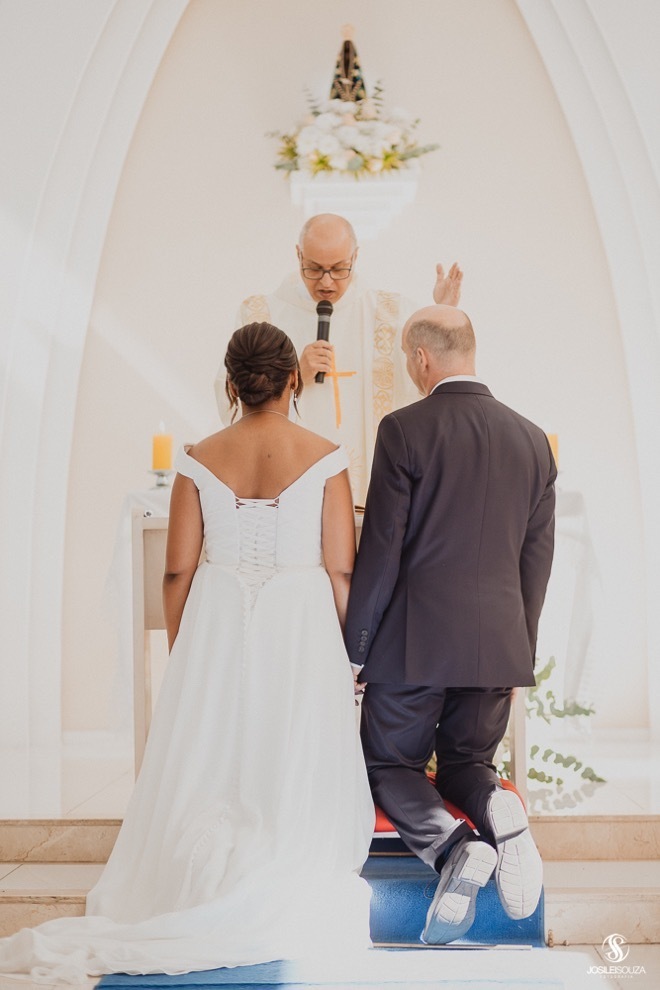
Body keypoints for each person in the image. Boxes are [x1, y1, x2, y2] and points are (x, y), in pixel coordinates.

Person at [0, 324, 374, 981]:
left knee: (212, 752)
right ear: (292, 381)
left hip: (217, 614)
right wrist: (352, 658)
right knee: (287, 747)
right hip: (300, 618)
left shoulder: (200, 457)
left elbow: (176, 572)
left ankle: (194, 875)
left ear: (232, 384)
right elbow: (342, 570)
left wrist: (189, 646)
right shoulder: (327, 455)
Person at [344, 304, 556, 945]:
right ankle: (501, 812)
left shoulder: (404, 430)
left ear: (420, 359)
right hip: (497, 643)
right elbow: (536, 563)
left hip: (414, 644)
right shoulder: (533, 440)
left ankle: (454, 847)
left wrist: (355, 649)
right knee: (468, 760)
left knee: (388, 761)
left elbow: (382, 549)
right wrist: (520, 651)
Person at [214, 214, 463, 504]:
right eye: (315, 269)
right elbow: (229, 395)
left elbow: (428, 382)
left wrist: (443, 312)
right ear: (298, 255)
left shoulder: (391, 313)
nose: (327, 282)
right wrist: (291, 376)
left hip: (371, 495)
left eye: (338, 269)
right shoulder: (261, 314)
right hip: (286, 491)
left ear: (355, 257)